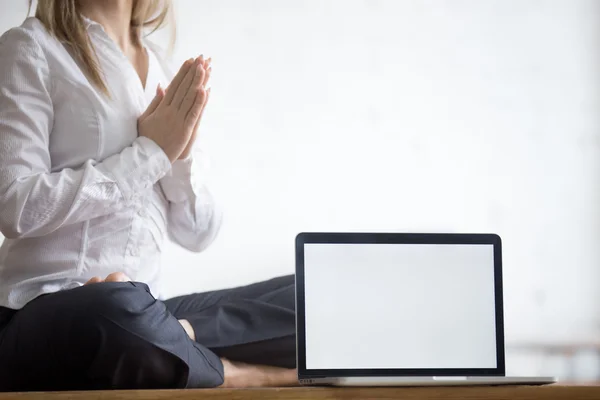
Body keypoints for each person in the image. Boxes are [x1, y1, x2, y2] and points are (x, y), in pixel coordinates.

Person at [0, 0, 297, 391]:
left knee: (309, 294)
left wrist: (179, 154)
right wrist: (151, 152)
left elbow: (198, 231)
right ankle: (234, 373)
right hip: (52, 312)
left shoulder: (162, 68)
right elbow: (15, 206)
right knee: (113, 308)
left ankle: (179, 337)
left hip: (146, 313)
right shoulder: (30, 48)